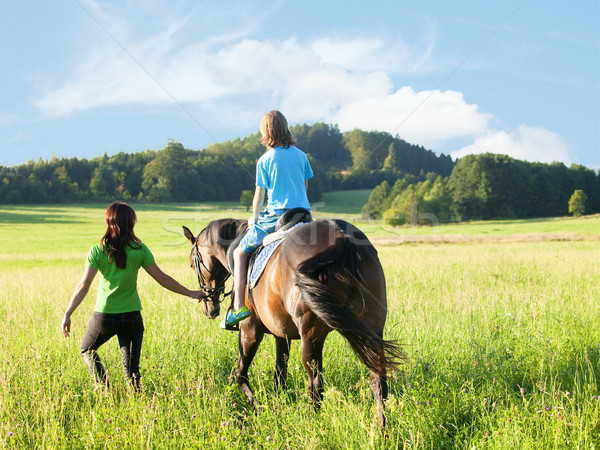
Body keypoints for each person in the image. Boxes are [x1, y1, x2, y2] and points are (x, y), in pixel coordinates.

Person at [61, 202, 206, 391]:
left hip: (105, 317)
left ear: (108, 222)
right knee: (132, 373)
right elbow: (162, 278)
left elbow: (83, 286)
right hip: (132, 317)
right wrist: (190, 293)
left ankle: (105, 390)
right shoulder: (140, 250)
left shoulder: (98, 250)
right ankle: (137, 401)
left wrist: (68, 313)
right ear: (131, 223)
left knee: (87, 350)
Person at [222, 110, 313, 329]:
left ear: (266, 131)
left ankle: (238, 308)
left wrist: (254, 219)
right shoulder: (301, 156)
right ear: (285, 127)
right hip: (304, 214)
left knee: (239, 252)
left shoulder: (265, 160)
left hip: (276, 217)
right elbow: (305, 187)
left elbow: (259, 196)